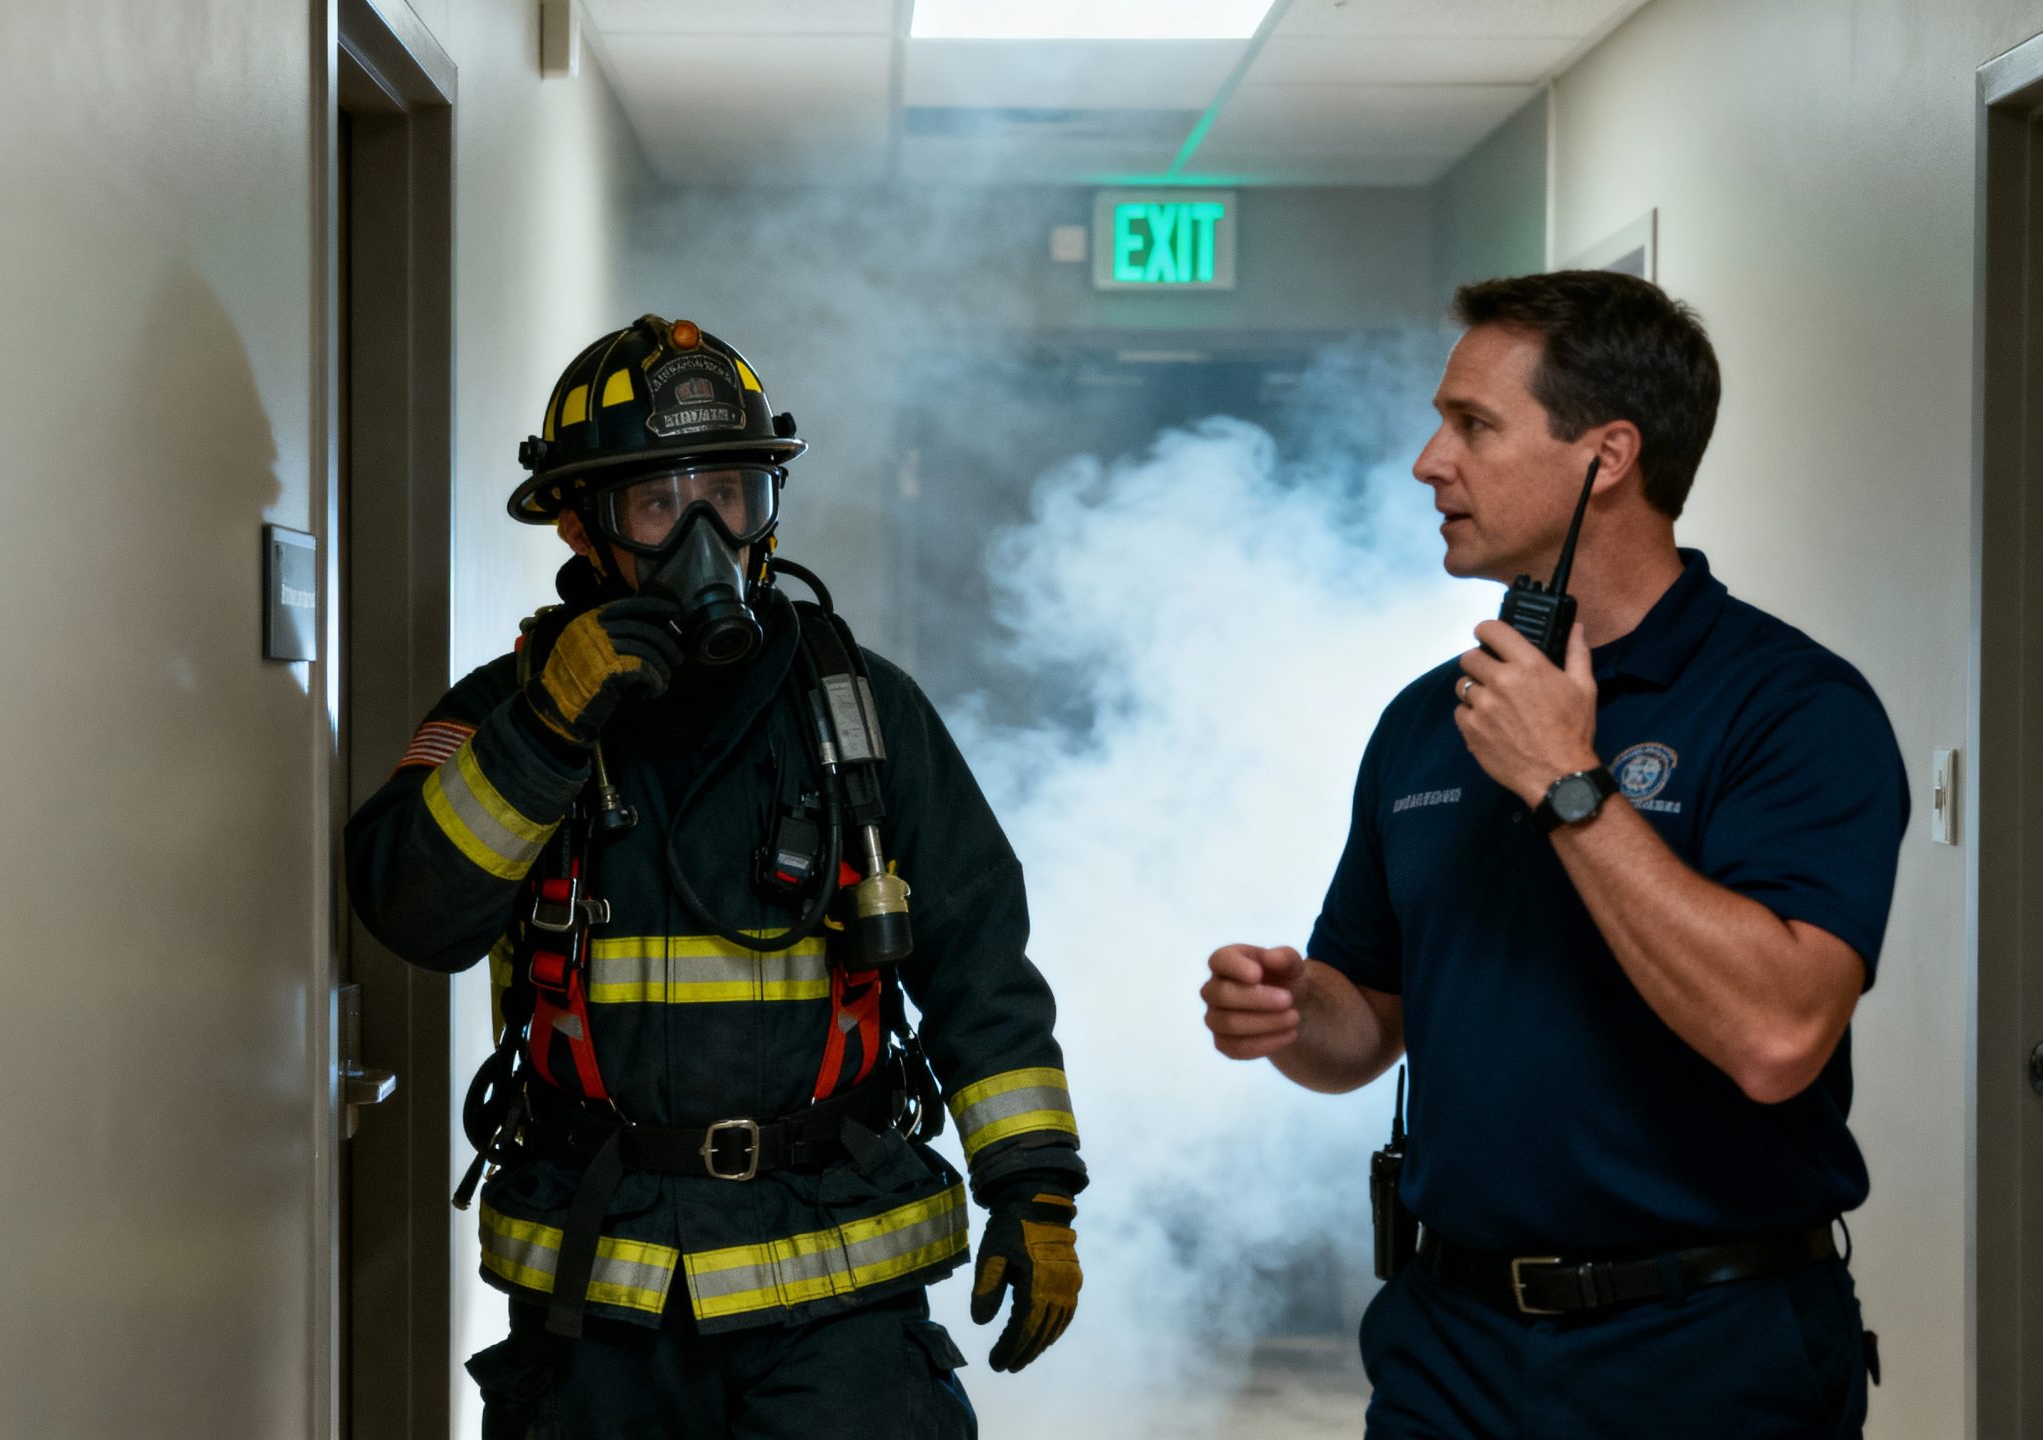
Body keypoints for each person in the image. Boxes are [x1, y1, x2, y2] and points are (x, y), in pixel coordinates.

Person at [345, 315, 1086, 1438]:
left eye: (729, 496)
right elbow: (412, 910)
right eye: (658, 505)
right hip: (601, 1302)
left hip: (835, 1294)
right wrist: (547, 732)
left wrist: (1033, 1187)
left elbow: (979, 957)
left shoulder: (860, 711)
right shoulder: (503, 712)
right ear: (583, 528)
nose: (705, 536)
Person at [1201, 271, 1907, 1439]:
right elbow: (1365, 1024)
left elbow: (1779, 1039)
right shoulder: (1432, 717)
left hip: (1704, 1352)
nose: (1430, 462)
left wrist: (1566, 786)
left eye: (1472, 424)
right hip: (1449, 1347)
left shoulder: (1792, 708)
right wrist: (1291, 1011)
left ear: (1606, 456)